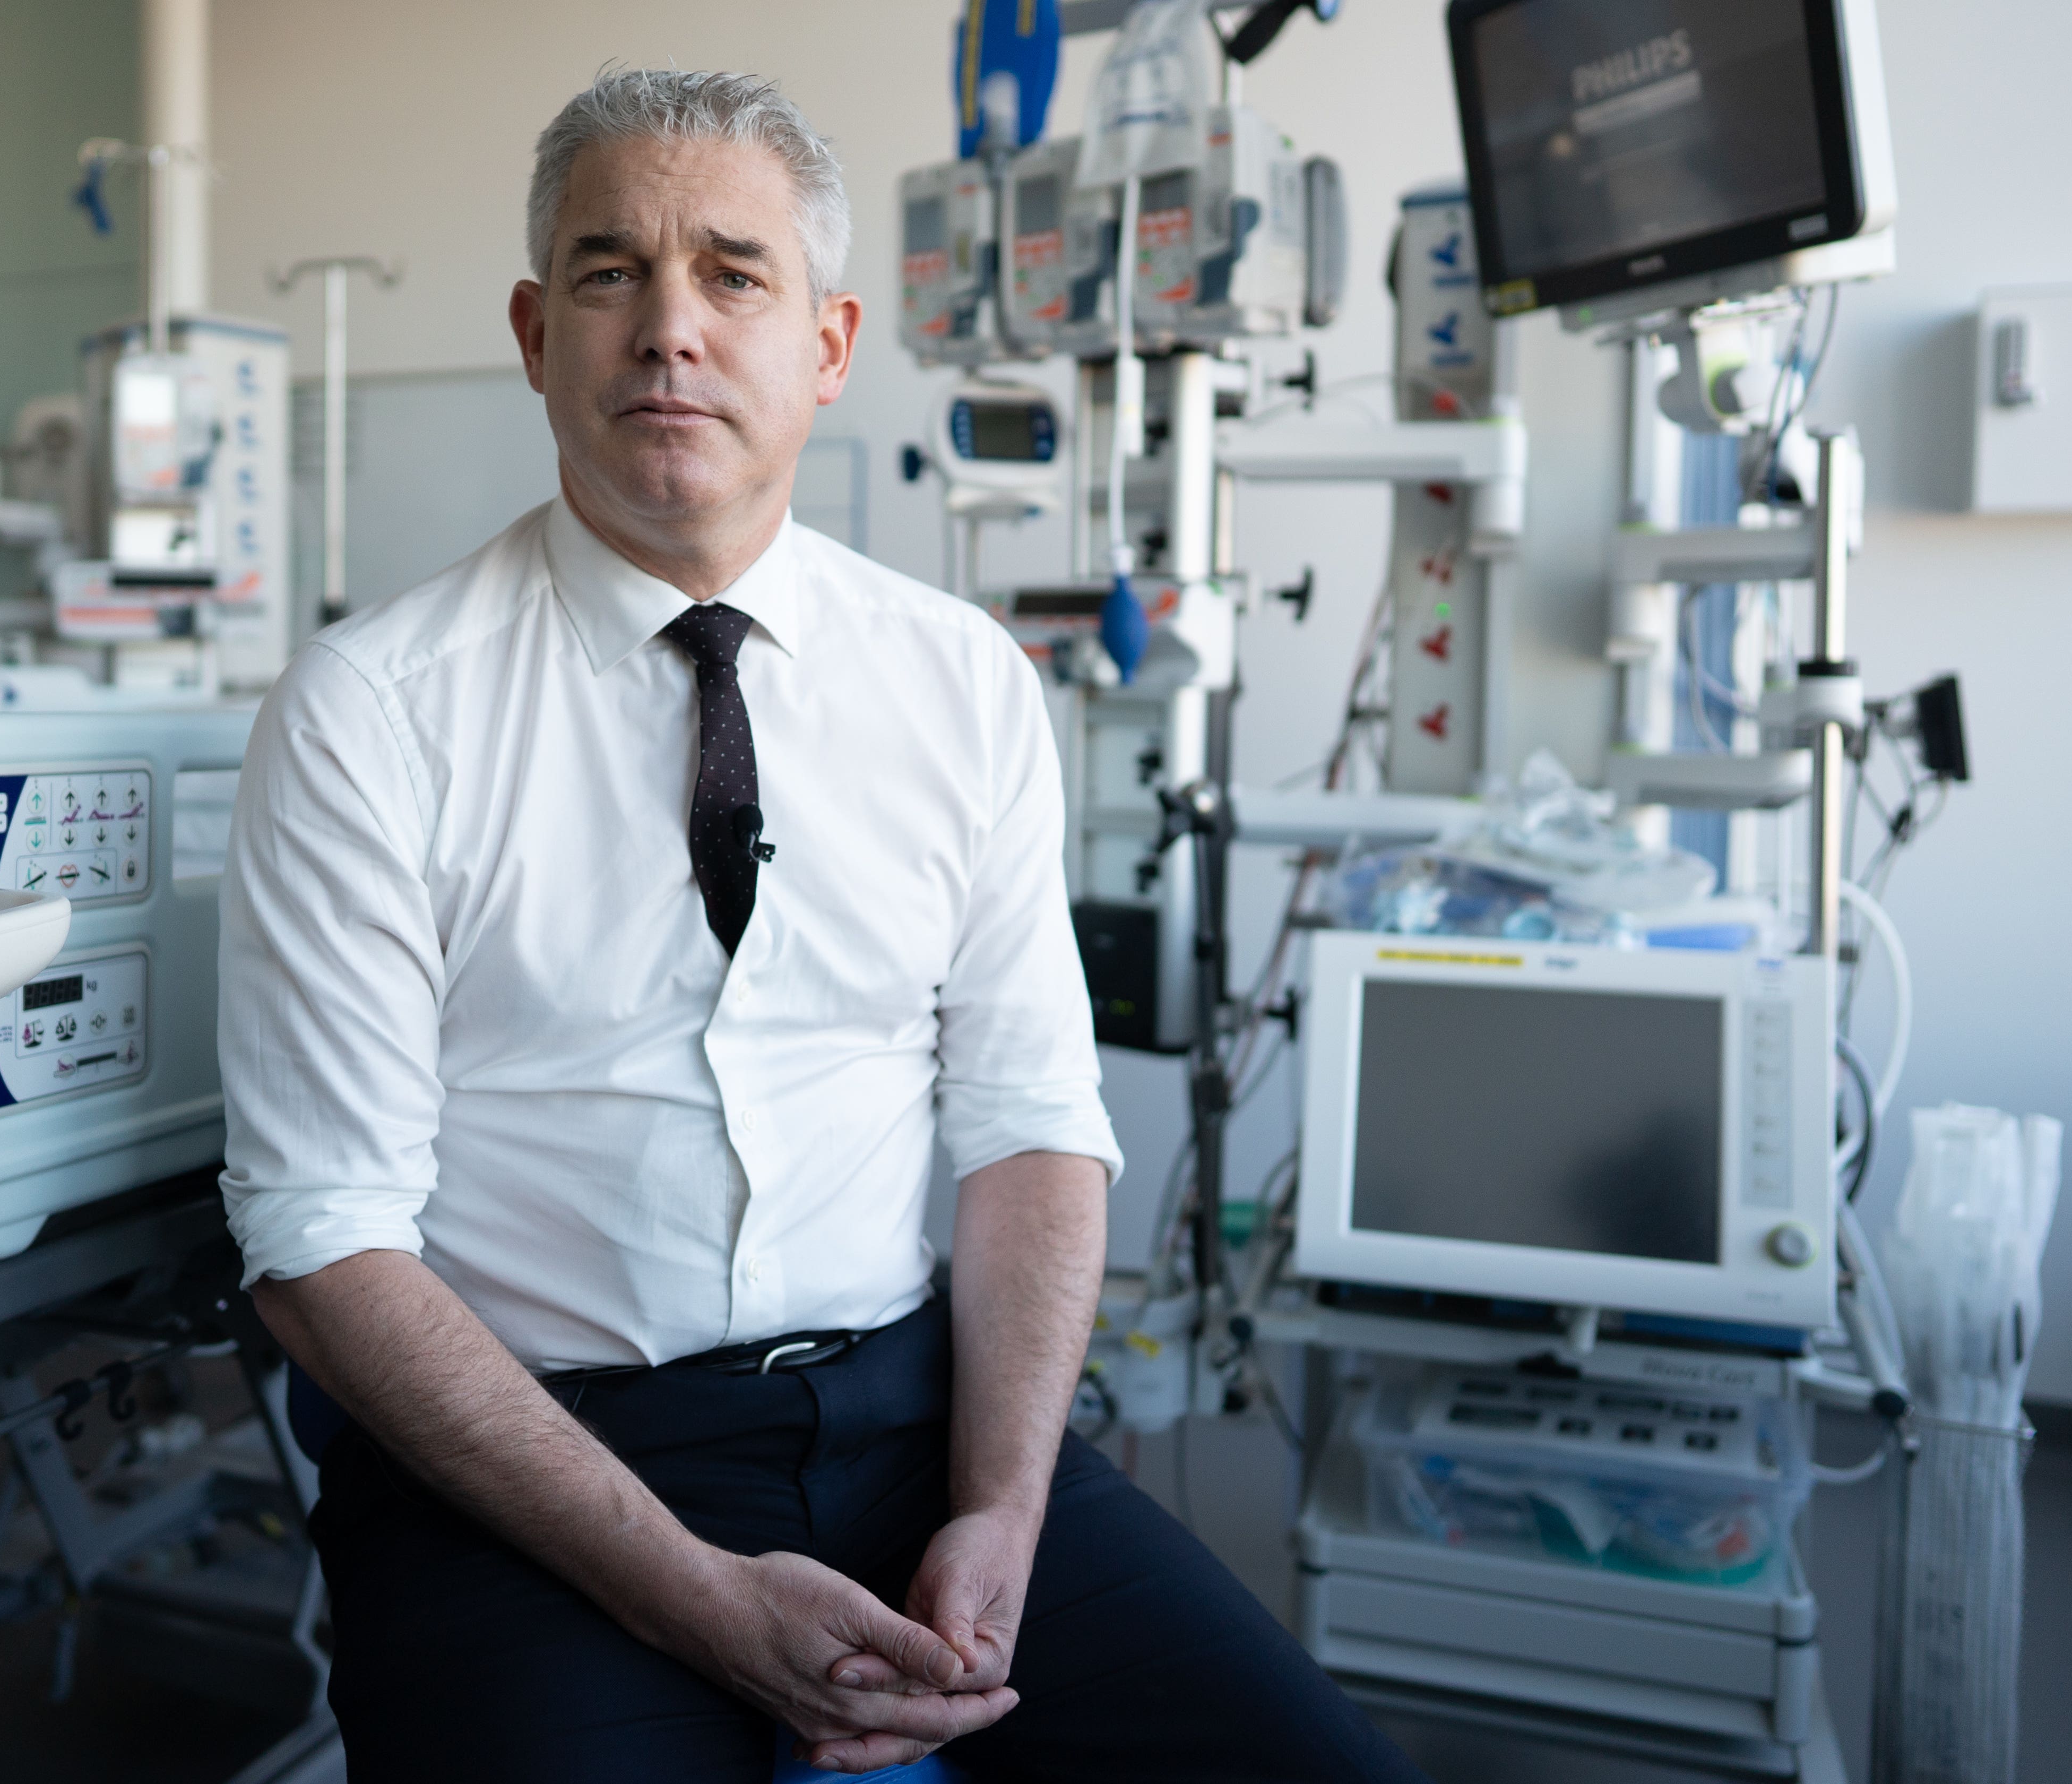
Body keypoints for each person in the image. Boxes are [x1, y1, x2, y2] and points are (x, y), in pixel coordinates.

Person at [220, 66, 1428, 1783]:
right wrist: (694, 1597)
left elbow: (1028, 1132)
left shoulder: (959, 685)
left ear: (831, 345)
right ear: (532, 331)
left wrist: (1003, 1505)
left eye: (732, 274)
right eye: (606, 271)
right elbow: (322, 1241)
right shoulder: (366, 715)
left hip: (915, 1426)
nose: (666, 330)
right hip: (527, 1470)